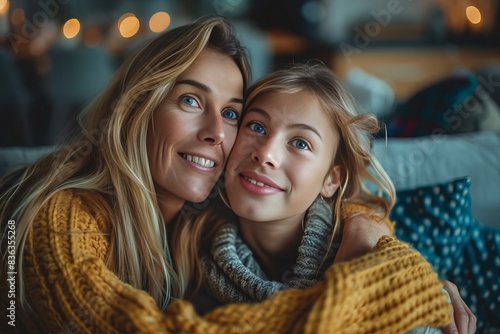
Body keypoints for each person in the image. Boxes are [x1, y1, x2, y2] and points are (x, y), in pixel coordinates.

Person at [0, 16, 467, 333]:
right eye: (190, 101)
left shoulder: (199, 213)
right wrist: (396, 291)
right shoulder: (58, 217)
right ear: (138, 106)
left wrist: (371, 236)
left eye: (230, 114)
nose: (214, 134)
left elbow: (319, 197)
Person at [184, 62, 476, 333]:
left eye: (300, 143)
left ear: (331, 179)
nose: (266, 154)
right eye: (257, 127)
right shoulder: (195, 258)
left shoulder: (377, 266)